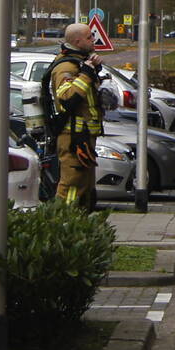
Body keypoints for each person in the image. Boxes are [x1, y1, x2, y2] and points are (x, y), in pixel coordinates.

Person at [46, 22, 106, 210]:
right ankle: (64, 219)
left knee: (85, 185)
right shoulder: (66, 67)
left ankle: (82, 220)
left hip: (84, 136)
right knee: (72, 184)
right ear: (78, 41)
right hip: (72, 137)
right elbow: (67, 98)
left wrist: (93, 72)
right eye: (89, 37)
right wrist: (86, 74)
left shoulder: (80, 63)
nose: (93, 40)